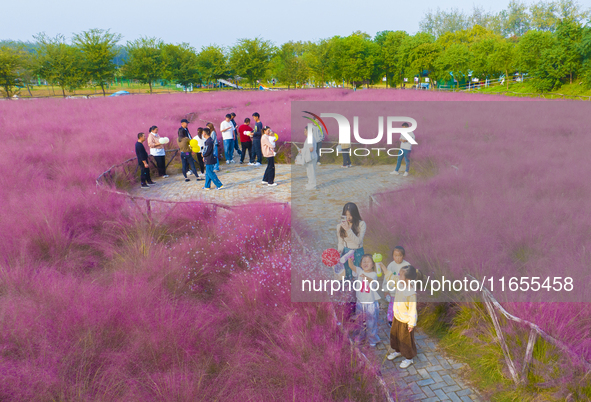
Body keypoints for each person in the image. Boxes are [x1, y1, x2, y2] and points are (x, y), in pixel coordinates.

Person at [387, 265, 423, 369]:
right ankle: (398, 351)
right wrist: (382, 267)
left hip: (406, 321)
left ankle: (409, 358)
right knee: (395, 335)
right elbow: (391, 277)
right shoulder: (400, 284)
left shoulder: (411, 293)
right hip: (397, 316)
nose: (398, 276)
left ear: (408, 279)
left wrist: (411, 323)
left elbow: (412, 309)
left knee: (405, 339)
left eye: (400, 275)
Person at [347, 255, 381, 346]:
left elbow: (372, 281)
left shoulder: (373, 274)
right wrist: (350, 260)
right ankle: (360, 335)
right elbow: (352, 267)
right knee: (360, 320)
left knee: (371, 322)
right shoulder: (359, 271)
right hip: (360, 301)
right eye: (363, 262)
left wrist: (365, 277)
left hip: (370, 303)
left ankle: (372, 338)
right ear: (361, 264)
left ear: (373, 265)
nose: (366, 263)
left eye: (368, 261)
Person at [377, 246, 411, 326]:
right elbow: (387, 278)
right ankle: (390, 320)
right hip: (393, 292)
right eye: (395, 256)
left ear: (403, 256)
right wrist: (386, 290)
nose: (397, 258)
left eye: (400, 256)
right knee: (392, 307)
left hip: (403, 292)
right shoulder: (391, 265)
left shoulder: (407, 265)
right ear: (393, 256)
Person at [337, 202, 366, 279]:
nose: (348, 218)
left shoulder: (361, 224)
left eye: (350, 215)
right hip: (345, 252)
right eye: (346, 215)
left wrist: (348, 229)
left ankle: (358, 291)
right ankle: (347, 291)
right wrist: (339, 250)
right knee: (346, 276)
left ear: (355, 214)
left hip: (357, 252)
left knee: (358, 276)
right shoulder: (340, 226)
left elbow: (358, 241)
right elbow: (341, 242)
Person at [302, 125, 317, 190]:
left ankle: (313, 185)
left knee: (311, 172)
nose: (304, 131)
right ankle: (310, 183)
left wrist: (303, 150)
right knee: (309, 172)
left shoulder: (310, 138)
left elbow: (311, 149)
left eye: (305, 130)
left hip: (311, 157)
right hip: (310, 157)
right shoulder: (309, 138)